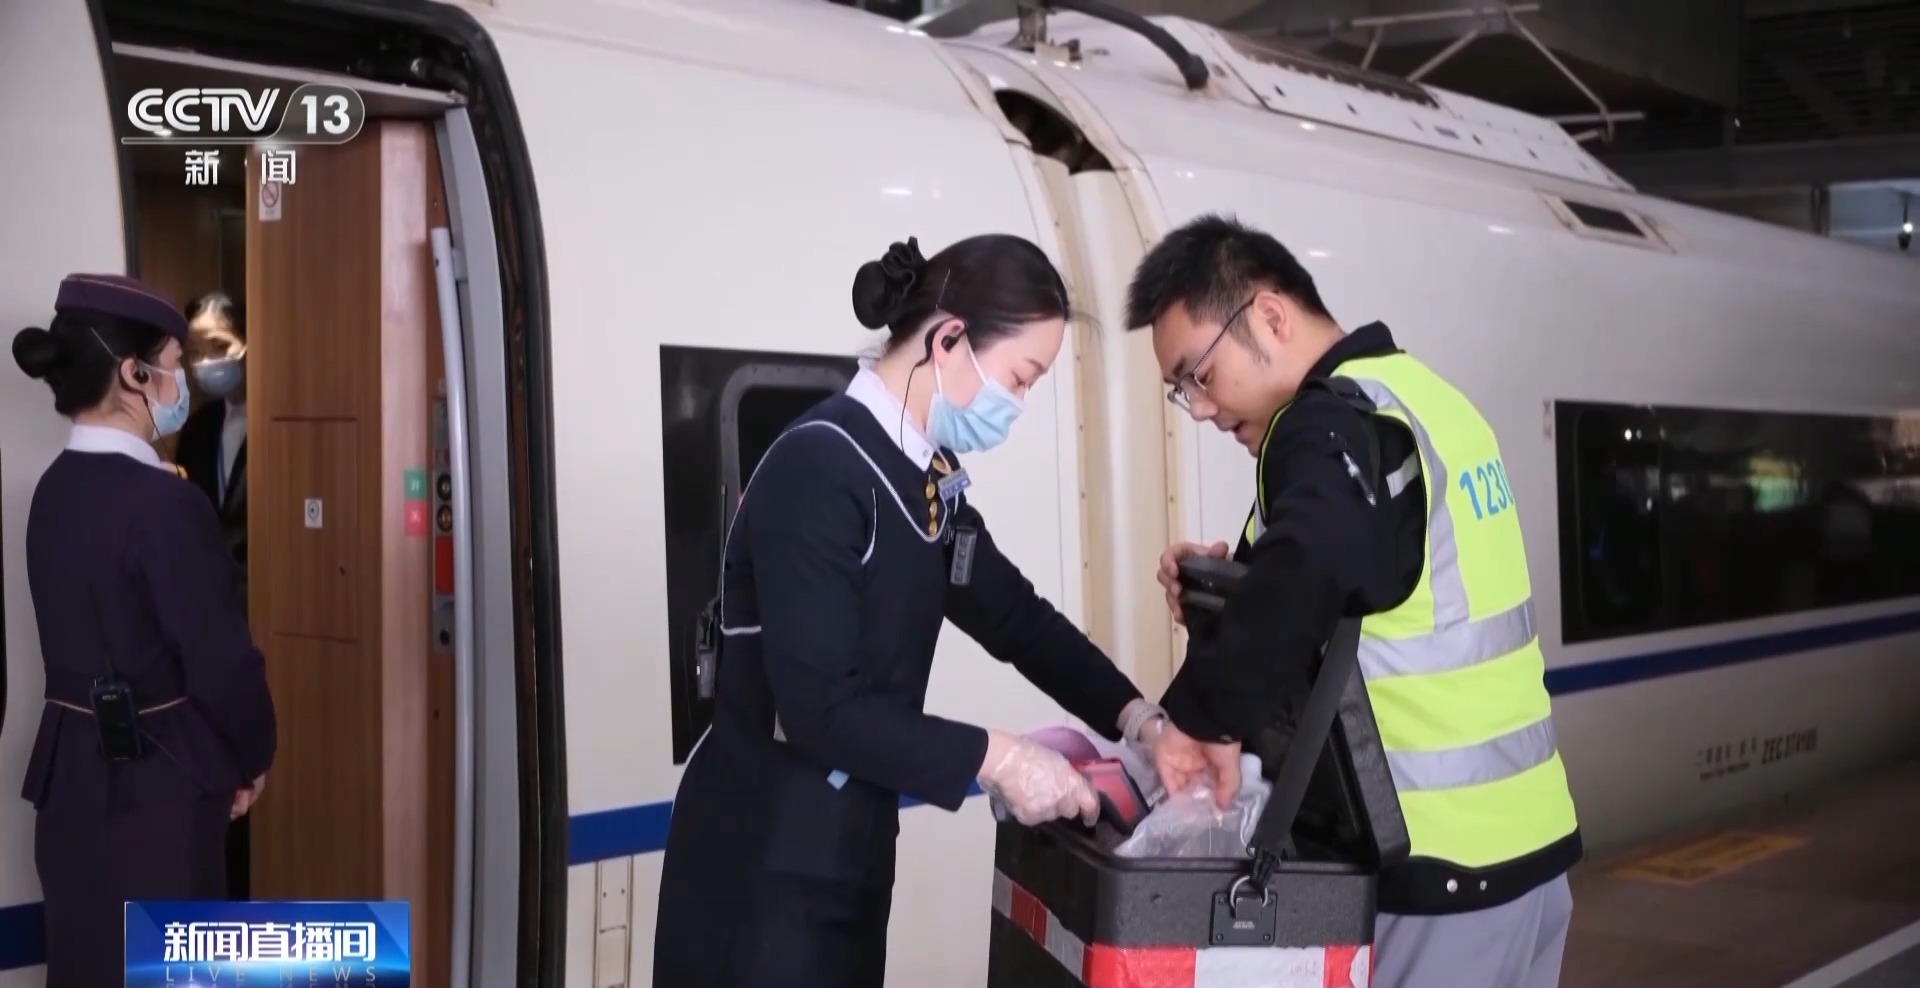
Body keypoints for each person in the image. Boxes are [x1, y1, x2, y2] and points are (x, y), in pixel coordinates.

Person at [653, 234, 1173, 988]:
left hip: (847, 851)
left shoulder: (928, 483)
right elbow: (819, 710)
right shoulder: (820, 466)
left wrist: (1138, 718)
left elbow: (1017, 619)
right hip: (760, 865)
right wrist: (999, 757)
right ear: (949, 340)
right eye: (1020, 379)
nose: (1017, 407)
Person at [1124, 215, 1581, 988]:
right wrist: (1223, 586)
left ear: (1270, 316)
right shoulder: (1423, 402)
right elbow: (1366, 586)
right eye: (1182, 391)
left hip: (1437, 870)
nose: (1198, 408)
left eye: (1198, 374)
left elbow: (1310, 568)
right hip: (1530, 854)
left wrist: (1203, 720)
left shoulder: (1325, 423)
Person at [12, 273, 278, 988]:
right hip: (159, 796)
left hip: (69, 789)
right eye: (172, 362)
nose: (181, 380)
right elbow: (222, 665)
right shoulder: (167, 505)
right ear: (134, 374)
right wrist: (253, 756)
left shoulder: (52, 490)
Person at [175, 289, 254, 900]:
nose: (207, 364)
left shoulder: (286, 418)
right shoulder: (199, 428)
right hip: (207, 622)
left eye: (219, 347)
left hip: (266, 616)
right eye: (196, 351)